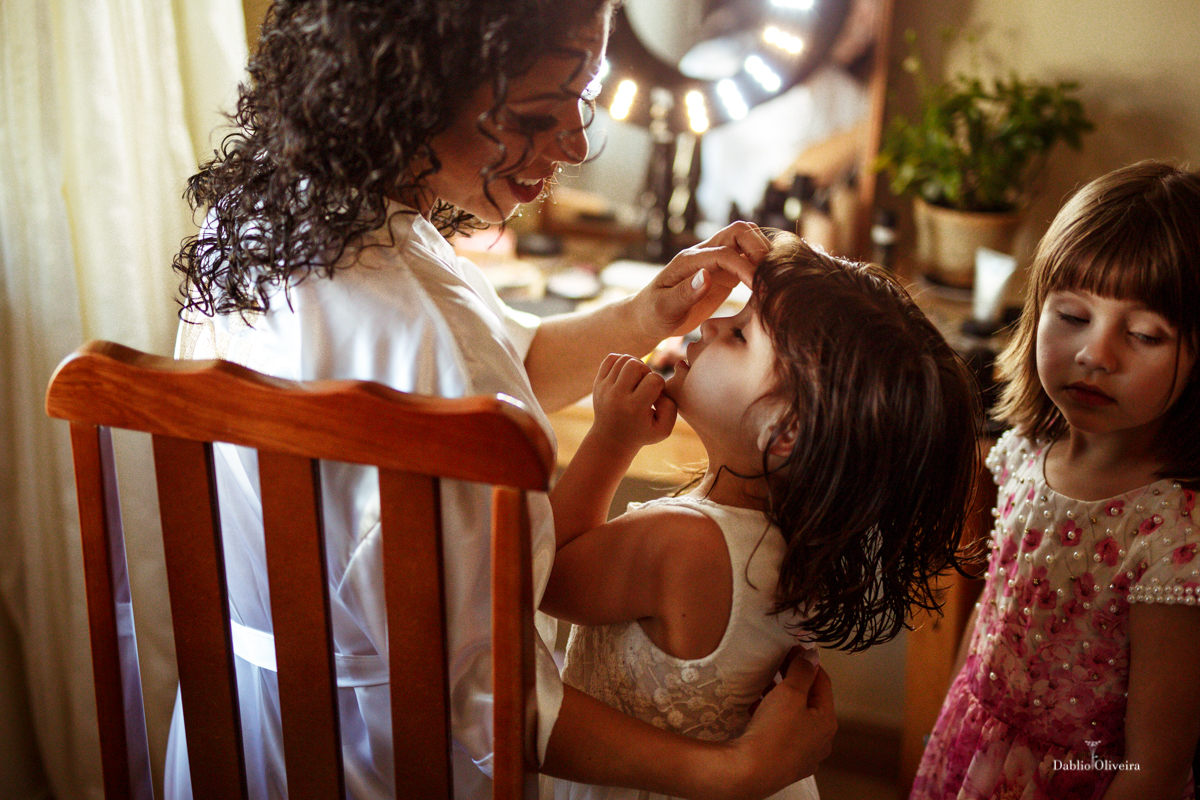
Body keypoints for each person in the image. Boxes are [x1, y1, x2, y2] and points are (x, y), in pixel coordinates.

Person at [167, 1, 836, 798]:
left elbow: (498, 364)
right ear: (407, 91)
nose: (579, 145)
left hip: (228, 735)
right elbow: (487, 703)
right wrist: (732, 770)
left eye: (581, 98)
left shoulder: (260, 224)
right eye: (533, 116)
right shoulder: (436, 349)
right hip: (383, 759)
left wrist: (644, 315)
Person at [540, 232, 983, 800]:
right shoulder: (802, 539)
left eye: (742, 333)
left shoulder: (684, 543)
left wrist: (610, 439)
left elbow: (545, 575)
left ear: (786, 433)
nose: (714, 325)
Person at [909, 160, 1200, 800]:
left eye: (1146, 333)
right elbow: (988, 620)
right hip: (972, 751)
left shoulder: (1173, 533)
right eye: (1072, 316)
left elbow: (1158, 764)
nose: (1097, 354)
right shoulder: (1023, 453)